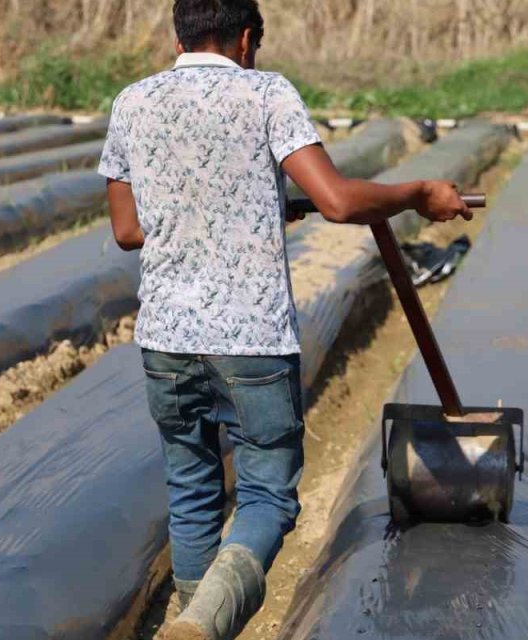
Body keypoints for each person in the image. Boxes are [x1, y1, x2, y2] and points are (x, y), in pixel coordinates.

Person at [98, 1, 472, 638]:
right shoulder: (266, 93)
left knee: (192, 490)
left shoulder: (132, 101)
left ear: (180, 38)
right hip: (250, 340)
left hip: (166, 339)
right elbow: (338, 201)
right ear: (246, 39)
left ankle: (192, 621)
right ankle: (205, 624)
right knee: (267, 495)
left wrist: (255, 206)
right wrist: (418, 193)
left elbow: (129, 230)